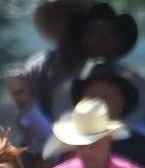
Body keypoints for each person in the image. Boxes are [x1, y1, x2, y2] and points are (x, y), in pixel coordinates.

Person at [11, 0, 93, 153]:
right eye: (60, 17)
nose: (68, 24)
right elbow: (25, 119)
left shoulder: (98, 67)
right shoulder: (38, 67)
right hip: (46, 152)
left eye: (74, 17)